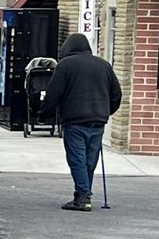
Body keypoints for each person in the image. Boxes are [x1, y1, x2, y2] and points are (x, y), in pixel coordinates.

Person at [39, 33, 122, 211]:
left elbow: (54, 93)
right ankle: (82, 194)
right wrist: (106, 111)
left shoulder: (65, 65)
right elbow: (116, 94)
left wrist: (44, 114)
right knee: (89, 160)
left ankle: (84, 197)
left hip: (75, 120)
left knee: (77, 159)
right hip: (98, 120)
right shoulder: (104, 65)